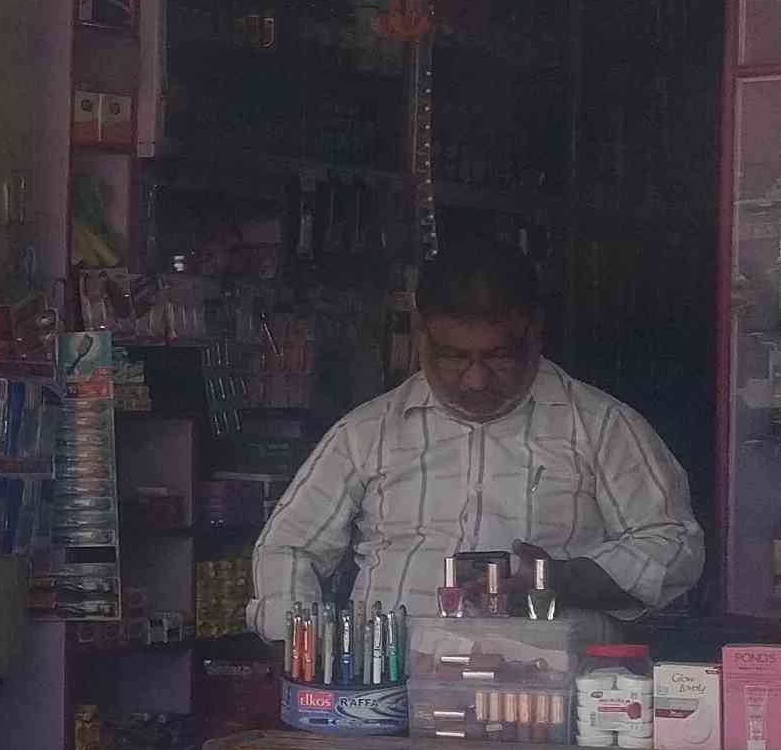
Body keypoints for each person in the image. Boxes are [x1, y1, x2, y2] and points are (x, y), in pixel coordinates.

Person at [248, 241, 703, 641]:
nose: (476, 380)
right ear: (421, 336)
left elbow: (675, 544)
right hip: (394, 691)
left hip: (557, 693)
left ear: (535, 332)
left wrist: (563, 580)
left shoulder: (602, 426)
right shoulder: (366, 432)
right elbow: (288, 547)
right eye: (453, 357)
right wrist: (300, 654)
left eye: (499, 356)